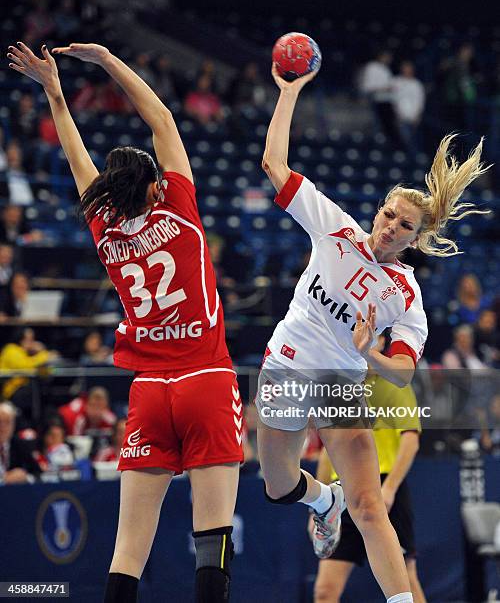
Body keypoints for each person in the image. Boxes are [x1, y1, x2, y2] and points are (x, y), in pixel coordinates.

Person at [8, 40, 242, 602]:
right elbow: (160, 116)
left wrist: (55, 92)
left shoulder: (104, 229)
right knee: (212, 542)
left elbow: (74, 154)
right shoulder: (181, 209)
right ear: (158, 186)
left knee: (127, 552)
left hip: (148, 394)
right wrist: (109, 61)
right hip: (205, 380)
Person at [256, 62, 489, 603]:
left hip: (341, 378)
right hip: (287, 363)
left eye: (405, 226)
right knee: (275, 483)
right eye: (388, 215)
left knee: (369, 505)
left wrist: (372, 354)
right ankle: (320, 501)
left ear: (416, 237)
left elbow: (405, 371)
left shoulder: (406, 294)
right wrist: (289, 92)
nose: (391, 228)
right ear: (378, 210)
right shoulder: (335, 229)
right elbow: (274, 162)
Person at [310, 368, 427, 603]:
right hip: (341, 492)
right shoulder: (338, 390)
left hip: (383, 488)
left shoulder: (395, 386)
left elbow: (410, 441)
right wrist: (318, 508)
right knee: (324, 591)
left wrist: (390, 488)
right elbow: (328, 451)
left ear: (381, 343)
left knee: (407, 581)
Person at [0, 401, 41, 484]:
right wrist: (4, 480)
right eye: (0, 422)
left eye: (7, 422)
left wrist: (26, 477)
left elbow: (38, 474)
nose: (3, 427)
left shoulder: (20, 445)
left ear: (13, 425)